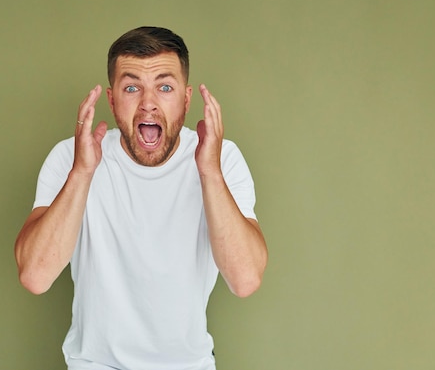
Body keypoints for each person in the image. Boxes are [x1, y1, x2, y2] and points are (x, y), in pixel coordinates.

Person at [14, 26, 268, 370]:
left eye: (165, 87)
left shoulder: (221, 158)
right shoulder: (71, 157)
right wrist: (82, 174)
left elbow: (245, 279)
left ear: (186, 98)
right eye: (132, 87)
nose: (148, 103)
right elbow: (35, 275)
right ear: (113, 99)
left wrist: (210, 172)